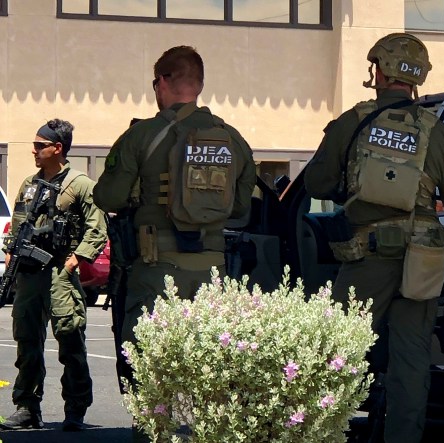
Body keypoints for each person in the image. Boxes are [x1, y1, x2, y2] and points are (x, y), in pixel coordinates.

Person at [303, 33, 444, 443]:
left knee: (338, 354)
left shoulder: (353, 122)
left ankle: (327, 433)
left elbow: (317, 181)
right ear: (417, 76)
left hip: (367, 257)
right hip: (423, 260)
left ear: (379, 71)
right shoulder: (438, 133)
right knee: (411, 359)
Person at [92, 46, 256, 391]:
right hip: (214, 271)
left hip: (156, 269)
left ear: (162, 82)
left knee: (149, 373)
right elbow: (241, 208)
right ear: (199, 84)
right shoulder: (232, 139)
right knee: (207, 375)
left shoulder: (142, 134)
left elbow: (108, 197)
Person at [0, 119, 108, 432]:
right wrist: (11, 252)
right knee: (27, 339)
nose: (33, 151)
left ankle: (75, 408)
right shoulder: (30, 184)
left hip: (61, 269)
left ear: (57, 148)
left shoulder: (80, 184)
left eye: (39, 146)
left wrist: (76, 259)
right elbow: (19, 223)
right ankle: (27, 408)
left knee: (69, 336)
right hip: (31, 274)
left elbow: (97, 226)